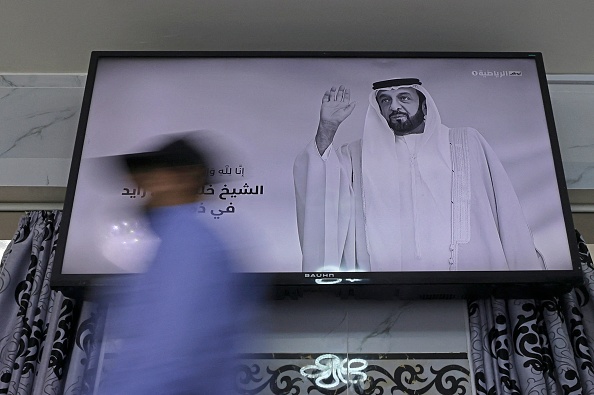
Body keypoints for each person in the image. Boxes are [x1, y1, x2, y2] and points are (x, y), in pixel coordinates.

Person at [293, 78, 545, 272]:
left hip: (471, 288)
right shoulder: (356, 155)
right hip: (384, 294)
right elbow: (321, 188)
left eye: (404, 97)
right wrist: (327, 128)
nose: (394, 106)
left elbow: (506, 209)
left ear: (424, 104)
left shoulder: (465, 142)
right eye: (385, 101)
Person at [97, 136, 249, 394]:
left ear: (188, 179)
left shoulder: (188, 242)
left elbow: (170, 350)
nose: (145, 184)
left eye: (158, 175)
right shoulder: (172, 240)